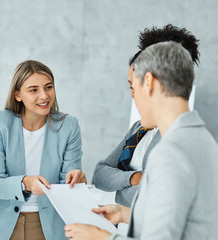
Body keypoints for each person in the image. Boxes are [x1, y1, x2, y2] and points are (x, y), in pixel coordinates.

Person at [65, 41, 218, 239]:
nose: (134, 99)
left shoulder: (171, 153)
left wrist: (100, 237)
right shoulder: (205, 141)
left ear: (149, 82)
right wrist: (123, 213)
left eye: (134, 87)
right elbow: (181, 219)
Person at [0, 60, 86, 240]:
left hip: (50, 227)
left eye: (48, 87)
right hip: (1, 226)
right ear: (18, 94)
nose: (44, 96)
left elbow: (67, 185)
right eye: (33, 90)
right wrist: (25, 183)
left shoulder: (68, 125)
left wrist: (75, 179)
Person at [93, 24, 200, 207]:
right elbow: (100, 174)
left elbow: (153, 198)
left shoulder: (177, 137)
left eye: (135, 86)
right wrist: (134, 178)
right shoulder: (139, 128)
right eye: (131, 86)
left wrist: (122, 188)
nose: (134, 95)